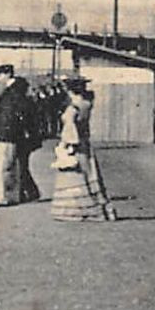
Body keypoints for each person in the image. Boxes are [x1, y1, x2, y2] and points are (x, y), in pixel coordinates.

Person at [51, 79, 118, 222]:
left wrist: (63, 145)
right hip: (85, 144)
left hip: (74, 146)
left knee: (76, 178)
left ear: (69, 91)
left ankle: (80, 211)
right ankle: (103, 208)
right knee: (90, 175)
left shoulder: (72, 109)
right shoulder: (86, 105)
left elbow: (70, 131)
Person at [0, 64, 27, 207]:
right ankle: (12, 197)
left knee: (1, 168)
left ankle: (0, 198)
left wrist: (2, 132)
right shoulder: (16, 90)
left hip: (7, 135)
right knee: (10, 167)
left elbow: (10, 116)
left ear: (8, 74)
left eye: (0, 75)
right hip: (10, 135)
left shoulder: (12, 92)